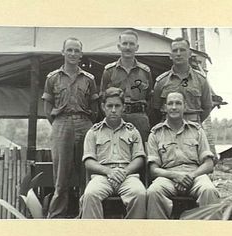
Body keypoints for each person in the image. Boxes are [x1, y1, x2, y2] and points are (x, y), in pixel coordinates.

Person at [42, 37, 98, 218]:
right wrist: (60, 125)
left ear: (81, 54)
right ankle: (57, 216)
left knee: (86, 173)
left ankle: (85, 214)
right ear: (63, 52)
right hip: (61, 124)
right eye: (70, 50)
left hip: (85, 123)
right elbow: (47, 108)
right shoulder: (52, 78)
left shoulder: (89, 79)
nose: (73, 54)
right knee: (61, 176)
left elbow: (95, 108)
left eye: (76, 51)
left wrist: (85, 123)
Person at [147, 92, 219, 219]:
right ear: (164, 107)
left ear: (185, 107)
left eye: (178, 103)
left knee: (209, 190)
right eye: (170, 103)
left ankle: (210, 234)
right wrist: (175, 176)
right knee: (153, 192)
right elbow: (153, 170)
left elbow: (208, 164)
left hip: (195, 175)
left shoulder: (196, 130)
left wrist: (190, 176)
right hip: (168, 176)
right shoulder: (156, 133)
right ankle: (158, 234)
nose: (174, 107)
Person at [81, 87, 147, 219]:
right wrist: (109, 172)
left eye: (117, 106)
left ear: (123, 107)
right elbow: (88, 161)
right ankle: (92, 235)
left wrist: (124, 172)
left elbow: (139, 158)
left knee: (139, 194)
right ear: (103, 107)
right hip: (102, 177)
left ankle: (134, 235)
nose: (113, 110)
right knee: (90, 194)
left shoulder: (132, 131)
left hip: (127, 175)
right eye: (109, 106)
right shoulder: (93, 132)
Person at [100, 29, 153, 142]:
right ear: (119, 46)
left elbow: (150, 98)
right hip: (117, 117)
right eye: (125, 43)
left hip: (139, 117)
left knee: (141, 152)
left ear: (137, 47)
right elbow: (103, 97)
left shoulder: (145, 71)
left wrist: (141, 113)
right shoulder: (109, 71)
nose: (128, 47)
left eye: (131, 44)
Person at [151, 37, 213, 125]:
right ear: (170, 55)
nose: (178, 54)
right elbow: (155, 109)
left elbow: (207, 107)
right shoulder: (162, 81)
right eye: (175, 50)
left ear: (190, 54)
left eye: (182, 50)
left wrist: (193, 122)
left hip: (193, 127)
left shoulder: (201, 80)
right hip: (169, 128)